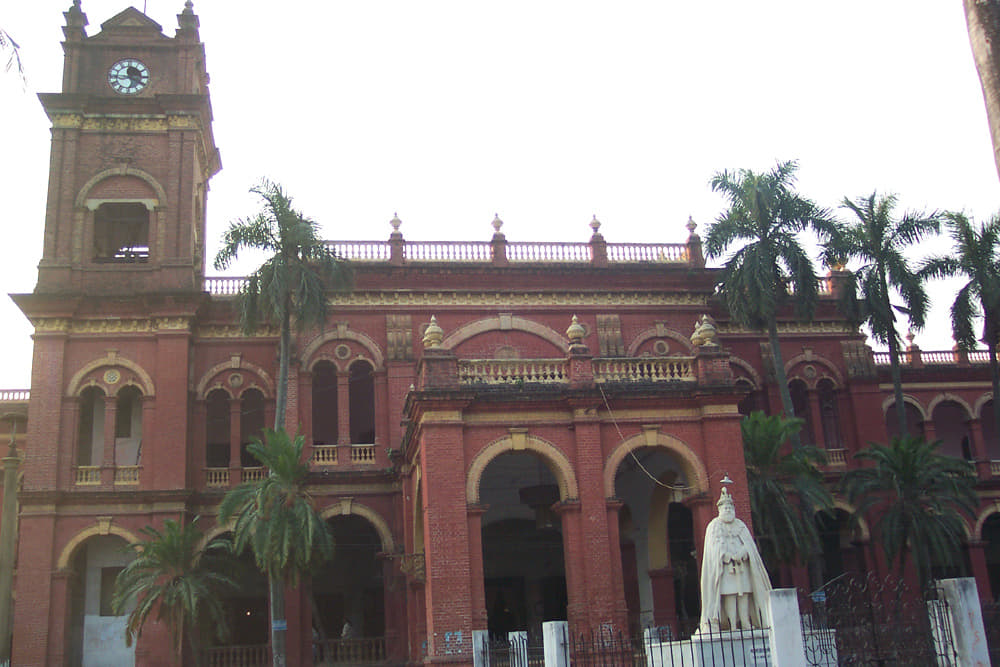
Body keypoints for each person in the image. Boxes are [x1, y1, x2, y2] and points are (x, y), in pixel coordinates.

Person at [699, 487, 771, 632]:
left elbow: (750, 545)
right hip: (725, 569)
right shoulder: (714, 526)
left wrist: (743, 552)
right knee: (729, 595)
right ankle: (732, 625)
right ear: (720, 510)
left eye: (730, 507)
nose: (728, 510)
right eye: (725, 508)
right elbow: (714, 547)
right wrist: (726, 556)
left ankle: (745, 622)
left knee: (744, 594)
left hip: (742, 567)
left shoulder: (740, 525)